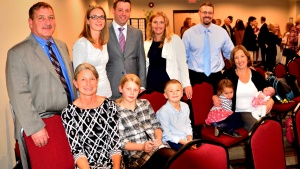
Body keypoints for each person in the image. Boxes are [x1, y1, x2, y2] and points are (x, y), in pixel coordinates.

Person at [6, 2, 76, 169]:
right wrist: (35, 128)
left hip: (67, 121)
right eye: (41, 18)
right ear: (30, 23)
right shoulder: (18, 53)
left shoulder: (62, 46)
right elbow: (19, 94)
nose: (48, 22)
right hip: (42, 125)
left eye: (51, 17)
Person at [61, 63, 123, 169]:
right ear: (75, 83)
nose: (88, 84)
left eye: (92, 79)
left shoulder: (109, 106)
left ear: (97, 81)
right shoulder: (68, 113)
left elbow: (115, 144)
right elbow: (77, 151)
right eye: (83, 80)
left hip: (112, 164)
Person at [115, 74, 176, 169]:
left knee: (175, 159)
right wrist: (142, 147)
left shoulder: (145, 103)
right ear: (120, 89)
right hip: (138, 156)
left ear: (139, 91)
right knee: (168, 159)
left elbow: (156, 125)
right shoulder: (115, 111)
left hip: (159, 147)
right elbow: (121, 142)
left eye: (135, 90)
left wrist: (159, 138)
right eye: (128, 89)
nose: (132, 93)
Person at [214, 45, 274, 131]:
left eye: (242, 56)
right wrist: (214, 97)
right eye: (236, 58)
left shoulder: (256, 75)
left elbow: (269, 89)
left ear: (247, 57)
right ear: (233, 61)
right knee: (259, 129)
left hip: (259, 109)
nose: (240, 60)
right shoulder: (228, 75)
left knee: (273, 126)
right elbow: (218, 89)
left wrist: (271, 100)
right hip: (242, 112)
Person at [182, 2, 234, 93]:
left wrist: (245, 66)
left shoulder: (221, 32)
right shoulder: (188, 34)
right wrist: (185, 83)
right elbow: (182, 59)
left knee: (218, 105)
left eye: (210, 13)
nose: (207, 15)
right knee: (197, 106)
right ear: (199, 13)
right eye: (204, 12)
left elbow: (231, 53)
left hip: (216, 76)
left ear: (213, 14)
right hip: (195, 77)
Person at [144, 11, 192, 98]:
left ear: (165, 24)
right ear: (151, 24)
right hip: (151, 83)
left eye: (161, 22)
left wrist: (186, 84)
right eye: (155, 22)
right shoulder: (147, 43)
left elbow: (183, 64)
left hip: (170, 84)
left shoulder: (174, 39)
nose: (158, 26)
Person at [107, 0, 146, 100]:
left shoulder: (137, 33)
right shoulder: (104, 31)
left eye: (127, 10)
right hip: (111, 85)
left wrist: (142, 84)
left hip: (132, 87)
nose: (124, 14)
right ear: (113, 11)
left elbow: (141, 60)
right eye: (120, 10)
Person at [73, 5, 112, 98]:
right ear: (87, 21)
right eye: (94, 17)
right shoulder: (81, 44)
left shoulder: (104, 42)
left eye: (102, 17)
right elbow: (79, 74)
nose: (99, 20)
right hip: (89, 94)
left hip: (106, 91)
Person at [156, 79, 195, 151]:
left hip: (185, 138)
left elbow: (187, 124)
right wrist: (186, 143)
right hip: (171, 140)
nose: (175, 93)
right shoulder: (163, 111)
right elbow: (167, 134)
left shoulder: (185, 106)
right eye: (171, 91)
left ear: (182, 93)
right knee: (187, 154)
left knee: (203, 148)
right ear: (165, 95)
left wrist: (190, 138)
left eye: (178, 90)